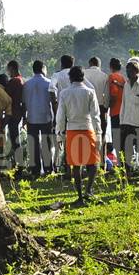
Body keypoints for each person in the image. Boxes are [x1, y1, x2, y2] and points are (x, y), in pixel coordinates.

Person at [55, 66, 102, 204]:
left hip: (72, 130)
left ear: (70, 78)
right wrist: (99, 133)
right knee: (93, 162)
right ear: (83, 77)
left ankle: (80, 196)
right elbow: (95, 116)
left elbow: (60, 117)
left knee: (76, 165)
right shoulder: (90, 92)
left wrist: (59, 133)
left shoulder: (64, 93)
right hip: (87, 129)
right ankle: (89, 190)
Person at [118, 61, 139, 172]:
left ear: (137, 71)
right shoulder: (126, 85)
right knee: (125, 148)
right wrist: (121, 121)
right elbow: (123, 104)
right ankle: (127, 171)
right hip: (126, 122)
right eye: (127, 71)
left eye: (130, 71)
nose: (128, 73)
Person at [23, 60, 54, 176]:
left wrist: (24, 117)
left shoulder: (27, 84)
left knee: (33, 144)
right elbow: (53, 102)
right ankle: (48, 169)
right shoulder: (48, 83)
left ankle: (35, 170)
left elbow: (24, 103)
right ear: (43, 69)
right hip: (45, 117)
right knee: (46, 144)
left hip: (31, 117)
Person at [5, 61, 24, 170]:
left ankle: (19, 165)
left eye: (8, 70)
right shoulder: (21, 80)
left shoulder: (14, 81)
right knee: (15, 139)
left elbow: (6, 95)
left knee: (14, 140)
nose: (7, 72)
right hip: (18, 113)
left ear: (11, 69)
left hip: (13, 113)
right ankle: (17, 164)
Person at [84, 57, 109, 140]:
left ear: (90, 64)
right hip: (100, 106)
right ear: (99, 65)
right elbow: (107, 94)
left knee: (87, 128)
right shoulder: (104, 76)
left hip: (85, 106)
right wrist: (106, 107)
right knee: (100, 130)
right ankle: (100, 145)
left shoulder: (83, 74)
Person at [107, 57, 126, 157]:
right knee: (122, 138)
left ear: (110, 66)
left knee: (116, 138)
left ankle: (119, 160)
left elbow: (114, 93)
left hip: (115, 111)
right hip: (123, 111)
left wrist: (109, 105)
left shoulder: (111, 76)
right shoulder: (123, 78)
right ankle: (123, 160)